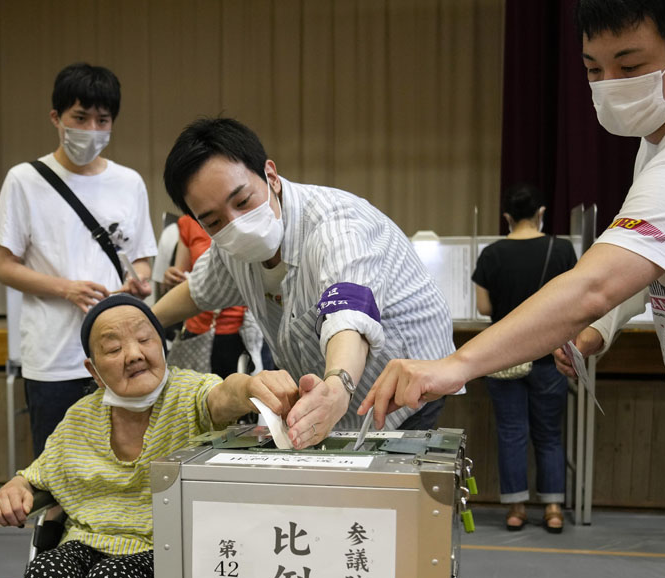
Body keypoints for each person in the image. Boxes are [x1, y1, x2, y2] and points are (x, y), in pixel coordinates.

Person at [361, 0, 665, 578]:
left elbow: (595, 284)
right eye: (592, 68)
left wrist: (454, 366)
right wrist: (596, 331)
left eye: (628, 64)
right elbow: (643, 272)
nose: (608, 86)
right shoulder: (663, 137)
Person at [0, 294, 298, 578]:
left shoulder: (188, 395)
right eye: (113, 348)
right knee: (47, 572)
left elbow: (225, 395)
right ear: (94, 370)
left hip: (169, 551)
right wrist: (15, 488)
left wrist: (251, 385)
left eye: (145, 339)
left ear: (161, 345)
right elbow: (36, 477)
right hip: (87, 546)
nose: (134, 354)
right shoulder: (79, 419)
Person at [152, 117, 456, 449]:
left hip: (399, 386)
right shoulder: (229, 247)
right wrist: (141, 323)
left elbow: (350, 312)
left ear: (271, 177)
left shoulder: (337, 225)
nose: (235, 225)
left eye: (242, 202)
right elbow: (198, 291)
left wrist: (338, 384)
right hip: (326, 392)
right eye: (213, 221)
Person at [0, 62, 156, 457]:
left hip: (122, 357)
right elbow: (3, 265)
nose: (92, 130)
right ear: (56, 118)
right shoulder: (24, 180)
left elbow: (143, 261)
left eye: (103, 120)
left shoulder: (129, 182)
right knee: (56, 471)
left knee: (126, 465)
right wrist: (66, 289)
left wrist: (138, 284)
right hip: (53, 357)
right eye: (80, 118)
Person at [472, 184, 576, 532]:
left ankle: (516, 508)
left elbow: (484, 307)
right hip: (550, 355)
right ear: (540, 213)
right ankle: (554, 509)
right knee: (549, 434)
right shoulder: (561, 250)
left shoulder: (491, 253)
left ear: (507, 218)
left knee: (511, 432)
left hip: (504, 357)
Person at [152, 211, 251, 377]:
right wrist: (171, 277)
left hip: (240, 331)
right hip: (197, 330)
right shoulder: (190, 222)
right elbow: (179, 277)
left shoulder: (241, 219)